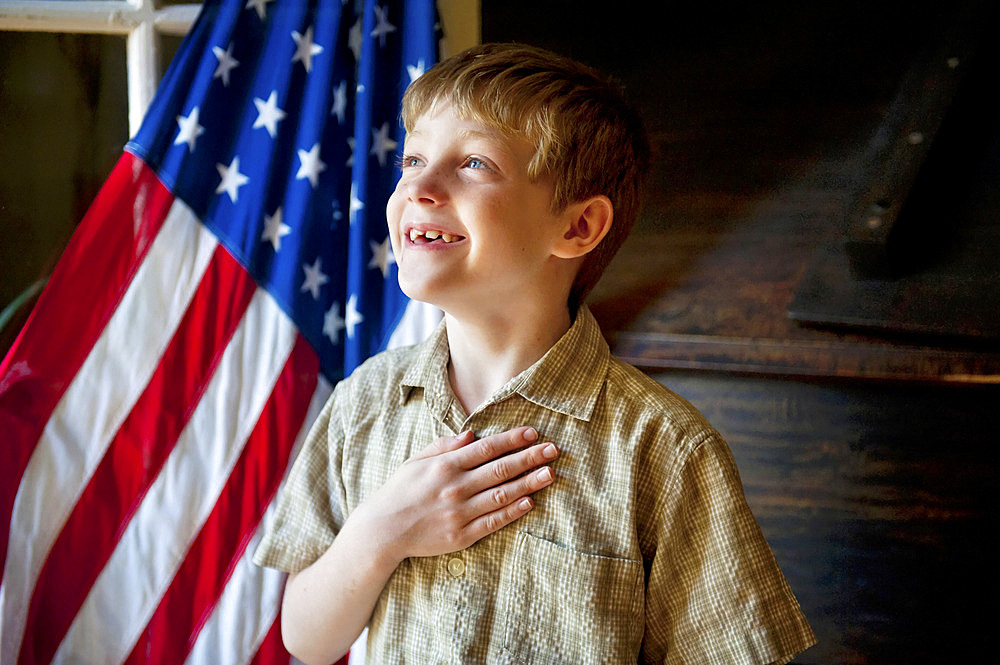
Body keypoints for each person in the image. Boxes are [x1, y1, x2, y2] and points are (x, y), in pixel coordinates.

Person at [254, 42, 816, 665]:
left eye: (472, 163)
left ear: (577, 228)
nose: (420, 186)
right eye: (413, 158)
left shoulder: (665, 449)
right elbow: (305, 639)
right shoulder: (364, 400)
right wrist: (382, 531)